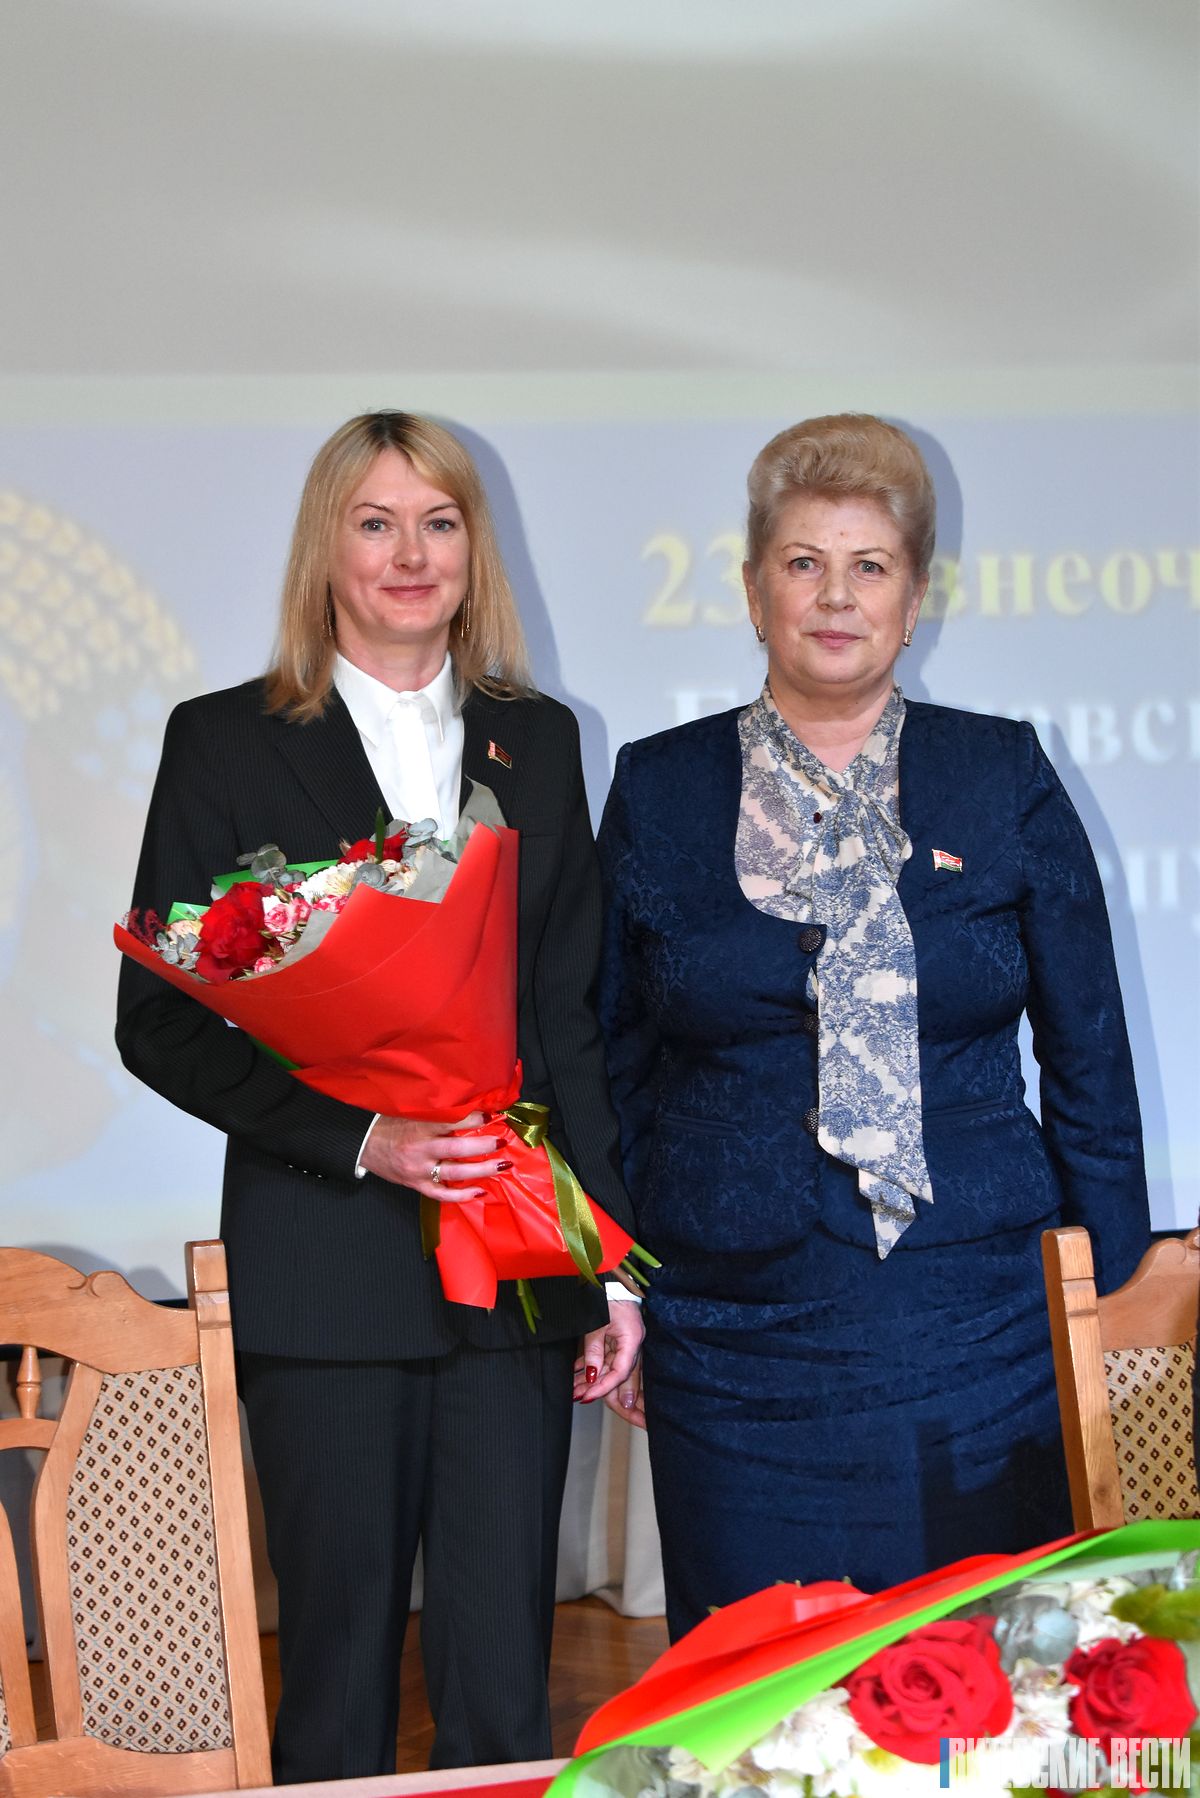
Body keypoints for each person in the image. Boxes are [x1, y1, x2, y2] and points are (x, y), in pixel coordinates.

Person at [116, 411, 642, 1779]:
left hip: (513, 1265)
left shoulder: (541, 740)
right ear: (327, 547)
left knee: (503, 1682)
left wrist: (606, 1268)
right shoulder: (225, 741)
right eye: (376, 522)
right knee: (340, 1679)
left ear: (475, 548)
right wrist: (365, 1138)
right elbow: (158, 1022)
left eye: (440, 522)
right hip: (324, 1268)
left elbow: (569, 1016)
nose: (412, 554)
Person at [596, 413, 1150, 1641]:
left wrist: (1107, 1292)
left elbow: (1090, 1053)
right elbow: (611, 1056)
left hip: (978, 1323)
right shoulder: (658, 785)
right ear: (754, 590)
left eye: (870, 566)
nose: (836, 596)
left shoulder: (1002, 774)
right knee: (755, 1691)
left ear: (914, 599)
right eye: (803, 562)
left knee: (976, 1684)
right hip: (733, 1336)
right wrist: (619, 1279)